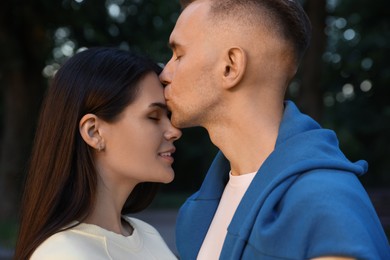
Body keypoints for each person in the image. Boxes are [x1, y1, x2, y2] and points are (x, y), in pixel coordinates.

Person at [159, 0, 390, 259]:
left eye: (178, 55)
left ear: (230, 66)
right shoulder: (197, 213)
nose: (164, 74)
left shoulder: (327, 207)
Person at [14, 47, 181, 260]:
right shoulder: (63, 253)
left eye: (168, 115)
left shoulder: (146, 235)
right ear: (94, 132)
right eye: (154, 116)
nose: (174, 131)